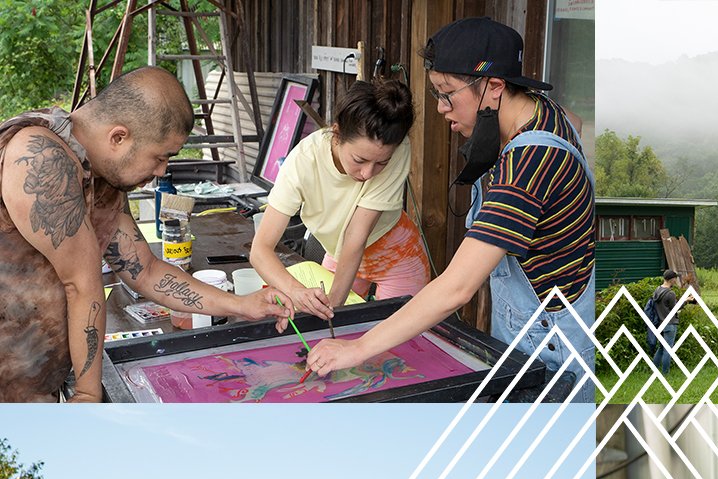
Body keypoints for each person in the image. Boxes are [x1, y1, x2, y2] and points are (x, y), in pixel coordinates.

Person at [306, 18, 595, 401]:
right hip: (543, 318)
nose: (441, 108)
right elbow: (574, 121)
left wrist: (356, 347)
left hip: (552, 345)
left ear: (494, 87)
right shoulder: (545, 112)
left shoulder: (529, 163)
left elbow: (457, 288)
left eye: (447, 93)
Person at [0, 66, 289, 402]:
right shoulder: (40, 155)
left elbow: (145, 270)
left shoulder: (104, 178)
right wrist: (89, 395)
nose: (161, 172)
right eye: (160, 156)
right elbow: (81, 282)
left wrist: (242, 305)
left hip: (35, 383)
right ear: (119, 137)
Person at [251, 79, 429, 312]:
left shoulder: (397, 146)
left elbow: (357, 234)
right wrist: (296, 292)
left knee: (395, 336)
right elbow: (260, 249)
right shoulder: (303, 161)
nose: (367, 173)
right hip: (340, 252)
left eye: (381, 163)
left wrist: (334, 305)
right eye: (359, 160)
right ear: (336, 134)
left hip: (396, 254)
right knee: (327, 328)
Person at [648, 270, 682, 376]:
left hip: (660, 323)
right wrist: (686, 301)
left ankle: (654, 369)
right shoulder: (670, 293)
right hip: (670, 324)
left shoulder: (657, 290)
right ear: (672, 279)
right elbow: (675, 308)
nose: (676, 281)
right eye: (675, 279)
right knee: (668, 350)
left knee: (661, 347)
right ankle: (665, 373)